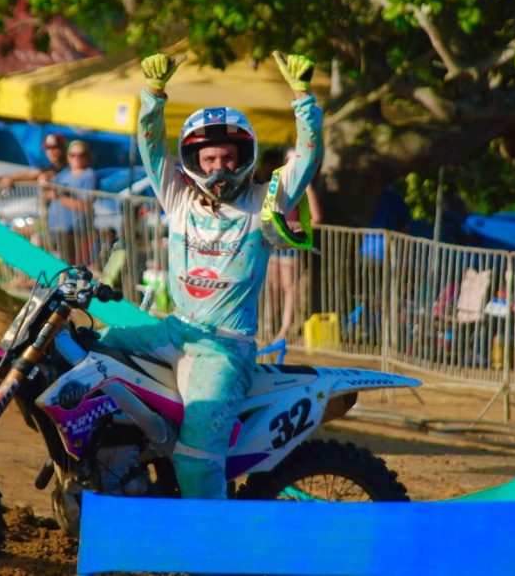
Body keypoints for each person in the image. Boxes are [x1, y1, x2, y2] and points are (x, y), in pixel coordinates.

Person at [100, 51, 323, 499]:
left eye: (227, 157)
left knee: (196, 460)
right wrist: (153, 95)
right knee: (89, 351)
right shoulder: (178, 198)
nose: (218, 168)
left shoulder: (265, 202)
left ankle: (214, 551)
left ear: (245, 156)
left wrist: (303, 99)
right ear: (193, 161)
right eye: (208, 159)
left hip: (224, 348)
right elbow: (150, 146)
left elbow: (308, 161)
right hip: (173, 330)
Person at [263, 148, 323, 344]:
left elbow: (316, 218)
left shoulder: (305, 187)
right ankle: (270, 326)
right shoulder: (278, 182)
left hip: (290, 242)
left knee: (289, 287)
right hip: (274, 240)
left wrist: (298, 229)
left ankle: (284, 329)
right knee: (274, 285)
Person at [44, 140, 97, 265]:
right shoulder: (64, 174)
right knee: (34, 241)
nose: (76, 158)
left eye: (81, 155)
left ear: (88, 157)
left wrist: (60, 197)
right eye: (73, 155)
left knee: (64, 264)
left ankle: (63, 283)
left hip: (73, 231)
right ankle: (26, 279)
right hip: (53, 228)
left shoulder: (89, 175)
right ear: (68, 156)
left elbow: (86, 206)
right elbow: (49, 187)